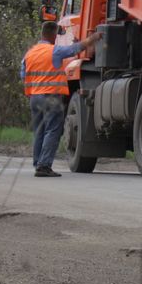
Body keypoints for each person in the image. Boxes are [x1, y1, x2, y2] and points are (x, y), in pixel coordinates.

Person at [21, 22, 99, 177]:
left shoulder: (30, 53)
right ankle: (44, 165)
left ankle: (38, 163)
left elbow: (23, 74)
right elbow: (75, 49)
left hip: (34, 98)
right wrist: (93, 38)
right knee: (53, 130)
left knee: (39, 131)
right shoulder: (54, 51)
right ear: (53, 35)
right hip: (51, 96)